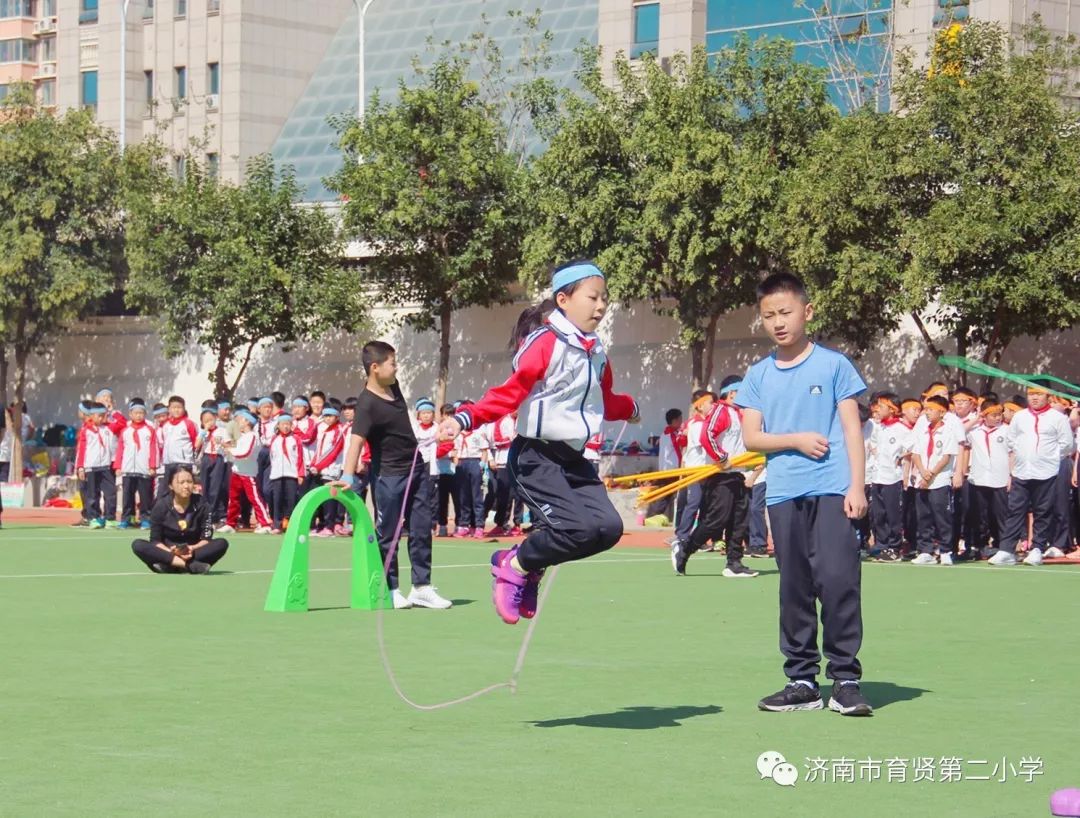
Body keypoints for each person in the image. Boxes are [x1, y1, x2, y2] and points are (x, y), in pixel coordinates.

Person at [439, 259, 639, 626]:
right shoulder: (545, 343)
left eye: (604, 298)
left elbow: (605, 400)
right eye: (593, 297)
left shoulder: (597, 352)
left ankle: (528, 565)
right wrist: (464, 418)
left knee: (608, 529)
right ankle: (512, 564)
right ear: (563, 299)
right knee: (575, 529)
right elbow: (509, 393)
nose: (601, 306)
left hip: (574, 460)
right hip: (536, 458)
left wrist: (631, 408)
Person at [736, 272, 872, 717]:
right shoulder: (757, 376)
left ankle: (846, 680)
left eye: (786, 312)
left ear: (807, 312)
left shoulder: (833, 365)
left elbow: (852, 427)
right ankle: (801, 681)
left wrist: (856, 485)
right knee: (794, 587)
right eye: (768, 315)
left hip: (833, 488)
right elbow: (752, 439)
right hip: (785, 492)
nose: (778, 322)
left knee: (837, 580)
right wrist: (794, 440)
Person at [336, 341, 451, 610]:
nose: (396, 366)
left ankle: (421, 587)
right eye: (391, 362)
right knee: (388, 533)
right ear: (374, 368)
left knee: (422, 529)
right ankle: (391, 588)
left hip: (417, 469)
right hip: (389, 476)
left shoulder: (393, 385)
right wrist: (347, 475)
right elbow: (356, 440)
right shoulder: (366, 404)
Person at [673, 376, 758, 577]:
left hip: (738, 474)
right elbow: (707, 436)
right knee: (716, 520)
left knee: (740, 519)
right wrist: (721, 458)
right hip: (721, 475)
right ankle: (685, 550)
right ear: (732, 393)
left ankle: (734, 563)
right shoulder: (722, 411)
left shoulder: (740, 414)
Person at [991, 385, 1075, 566]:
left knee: (1042, 511)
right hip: (1022, 471)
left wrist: (1049, 458)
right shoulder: (1020, 417)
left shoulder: (1058, 418)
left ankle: (1037, 548)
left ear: (1047, 396)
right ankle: (1006, 549)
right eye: (1031, 394)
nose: (1034, 398)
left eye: (1038, 394)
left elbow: (1067, 444)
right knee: (1015, 510)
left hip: (1047, 472)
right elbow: (1011, 440)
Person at [131, 466, 229, 574]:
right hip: (167, 551)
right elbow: (155, 540)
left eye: (189, 482)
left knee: (221, 543)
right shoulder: (160, 506)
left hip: (193, 552)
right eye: (181, 482)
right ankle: (188, 566)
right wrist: (172, 552)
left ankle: (169, 566)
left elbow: (206, 539)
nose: (186, 486)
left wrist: (191, 548)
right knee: (138, 545)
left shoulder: (203, 505)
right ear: (170, 485)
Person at [910, 395, 961, 566]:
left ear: (942, 412)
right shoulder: (923, 430)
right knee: (923, 516)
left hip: (939, 480)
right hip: (922, 479)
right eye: (926, 409)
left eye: (931, 409)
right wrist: (922, 472)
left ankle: (946, 550)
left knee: (942, 516)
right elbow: (915, 453)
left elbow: (946, 457)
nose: (927, 413)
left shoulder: (948, 431)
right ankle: (926, 550)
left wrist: (930, 474)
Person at [965, 400, 1011, 559]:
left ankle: (1003, 545)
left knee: (1000, 514)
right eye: (993, 415)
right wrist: (976, 419)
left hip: (1001, 478)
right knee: (980, 515)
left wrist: (1011, 475)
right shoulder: (975, 431)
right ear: (984, 416)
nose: (998, 418)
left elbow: (1013, 453)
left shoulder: (1007, 430)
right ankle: (980, 545)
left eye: (1000, 415)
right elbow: (957, 433)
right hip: (979, 479)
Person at [669, 390, 713, 556]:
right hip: (695, 469)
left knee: (705, 505)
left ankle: (699, 539)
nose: (713, 406)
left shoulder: (707, 423)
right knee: (693, 503)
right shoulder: (694, 424)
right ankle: (682, 536)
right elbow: (683, 442)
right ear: (700, 406)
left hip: (707, 469)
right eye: (710, 402)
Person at [868, 393, 908, 561]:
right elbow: (874, 444)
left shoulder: (902, 429)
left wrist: (901, 459)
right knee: (879, 513)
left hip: (892, 477)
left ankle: (895, 546)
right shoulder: (879, 427)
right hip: (877, 476)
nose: (878, 409)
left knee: (893, 515)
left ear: (892, 409)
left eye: (882, 406)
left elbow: (912, 448)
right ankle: (882, 544)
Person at [222, 409, 272, 534]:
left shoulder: (253, 437)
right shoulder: (243, 437)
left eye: (241, 419)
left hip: (248, 474)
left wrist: (230, 450)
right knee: (233, 498)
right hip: (237, 472)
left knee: (255, 498)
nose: (238, 421)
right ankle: (230, 524)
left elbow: (245, 453)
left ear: (247, 422)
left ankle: (265, 524)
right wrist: (225, 446)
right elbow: (237, 449)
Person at [113, 399, 158, 529]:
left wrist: (152, 466)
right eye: (136, 413)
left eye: (141, 413)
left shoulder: (149, 430)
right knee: (127, 496)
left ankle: (145, 518)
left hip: (144, 469)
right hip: (127, 469)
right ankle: (127, 518)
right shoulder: (125, 431)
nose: (138, 415)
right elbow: (120, 449)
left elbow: (153, 449)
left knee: (145, 496)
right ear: (130, 414)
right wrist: (118, 466)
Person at [76, 403, 117, 529]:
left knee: (110, 493)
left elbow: (121, 423)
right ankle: (94, 517)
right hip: (91, 467)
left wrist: (111, 412)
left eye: (104, 416)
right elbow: (81, 450)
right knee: (92, 494)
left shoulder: (108, 429)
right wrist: (80, 467)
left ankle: (110, 517)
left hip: (106, 466)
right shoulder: (86, 430)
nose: (101, 418)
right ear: (92, 416)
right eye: (99, 416)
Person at [309, 405, 347, 537]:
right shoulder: (323, 430)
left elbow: (333, 452)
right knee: (318, 498)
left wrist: (318, 466)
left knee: (329, 500)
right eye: (325, 416)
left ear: (337, 417)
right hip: (319, 469)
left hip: (331, 470)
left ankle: (329, 526)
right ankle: (321, 525)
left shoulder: (339, 430)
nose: (327, 419)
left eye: (330, 416)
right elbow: (318, 450)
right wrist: (314, 464)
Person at [484, 412, 524, 537]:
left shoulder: (523, 419)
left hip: (518, 461)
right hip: (502, 460)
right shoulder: (499, 421)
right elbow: (491, 440)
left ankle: (517, 524)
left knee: (518, 494)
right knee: (503, 494)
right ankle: (501, 523)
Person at [452, 401, 488, 538]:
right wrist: (456, 464)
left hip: (475, 461)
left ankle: (479, 526)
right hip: (462, 462)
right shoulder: (458, 433)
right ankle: (463, 525)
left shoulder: (479, 432)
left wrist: (482, 465)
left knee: (477, 496)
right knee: (463, 496)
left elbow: (484, 450)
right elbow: (455, 450)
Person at [645, 408, 685, 521]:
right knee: (664, 495)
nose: (681, 422)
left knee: (669, 495)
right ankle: (651, 516)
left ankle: (665, 518)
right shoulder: (671, 434)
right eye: (680, 419)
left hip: (668, 469)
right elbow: (679, 449)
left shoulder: (665, 433)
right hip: (671, 470)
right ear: (674, 421)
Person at [268, 413, 304, 533]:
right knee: (277, 498)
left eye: (288, 424)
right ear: (278, 425)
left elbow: (300, 458)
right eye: (283, 424)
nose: (286, 427)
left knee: (291, 498)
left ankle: (289, 521)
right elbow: (272, 457)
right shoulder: (274, 439)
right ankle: (277, 523)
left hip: (291, 474)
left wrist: (300, 474)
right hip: (277, 474)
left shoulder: (296, 439)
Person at [157, 395, 199, 500]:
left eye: (179, 407)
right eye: (173, 407)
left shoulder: (189, 424)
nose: (176, 410)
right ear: (169, 409)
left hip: (183, 463)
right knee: (165, 491)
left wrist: (193, 460)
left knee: (183, 490)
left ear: (184, 409)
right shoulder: (166, 425)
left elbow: (196, 443)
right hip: (169, 464)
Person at [198, 406, 231, 528]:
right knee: (205, 487)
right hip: (206, 458)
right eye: (206, 420)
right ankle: (205, 515)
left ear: (216, 419)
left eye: (211, 419)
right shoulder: (202, 432)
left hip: (217, 458)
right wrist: (204, 432)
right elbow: (196, 445)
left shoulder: (222, 430)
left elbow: (229, 445)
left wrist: (221, 443)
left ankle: (214, 516)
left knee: (215, 488)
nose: (209, 422)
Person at [434, 403, 458, 538]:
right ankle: (442, 526)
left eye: (451, 415)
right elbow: (436, 450)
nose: (449, 418)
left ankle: (460, 525)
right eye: (446, 415)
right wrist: (449, 452)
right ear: (442, 415)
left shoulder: (457, 429)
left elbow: (457, 450)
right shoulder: (437, 430)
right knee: (442, 501)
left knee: (457, 500)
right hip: (440, 471)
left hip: (454, 471)